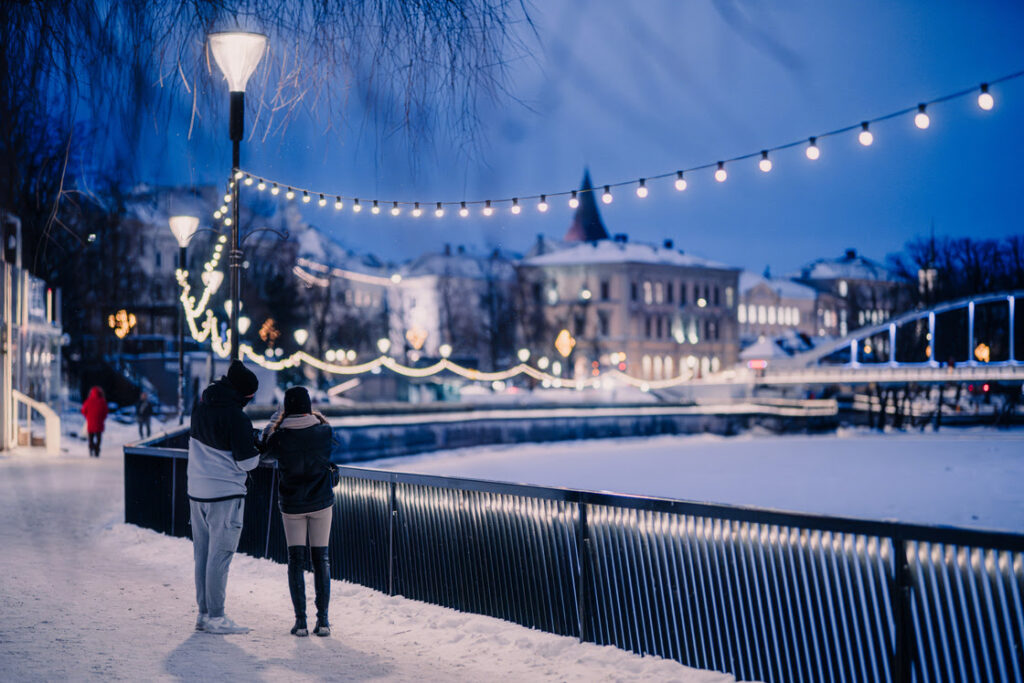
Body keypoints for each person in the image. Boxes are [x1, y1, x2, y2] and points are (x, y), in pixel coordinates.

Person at [187, 360, 260, 635]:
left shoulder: (201, 406)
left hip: (197, 492)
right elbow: (247, 463)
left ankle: (204, 614)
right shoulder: (237, 417)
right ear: (244, 394)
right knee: (220, 556)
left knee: (202, 556)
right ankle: (217, 617)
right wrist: (258, 447)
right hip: (225, 494)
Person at [260, 386, 335, 637]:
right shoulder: (324, 430)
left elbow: (264, 453)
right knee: (321, 559)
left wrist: (273, 424)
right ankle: (323, 621)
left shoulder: (280, 437)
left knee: (296, 561)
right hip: (321, 502)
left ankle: (301, 622)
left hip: (292, 504)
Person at [81, 386, 108, 458]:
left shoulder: (88, 400)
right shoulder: (102, 401)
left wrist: (87, 417)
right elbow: (106, 412)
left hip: (90, 422)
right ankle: (97, 449)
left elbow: (83, 410)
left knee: (91, 437)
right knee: (99, 438)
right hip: (99, 422)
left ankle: (91, 448)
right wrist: (102, 418)